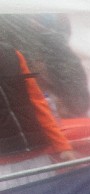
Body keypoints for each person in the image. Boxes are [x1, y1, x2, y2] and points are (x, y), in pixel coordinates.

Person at [0, 42, 74, 185]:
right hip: (4, 167)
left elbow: (37, 101)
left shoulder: (12, 55)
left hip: (37, 156)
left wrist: (62, 145)